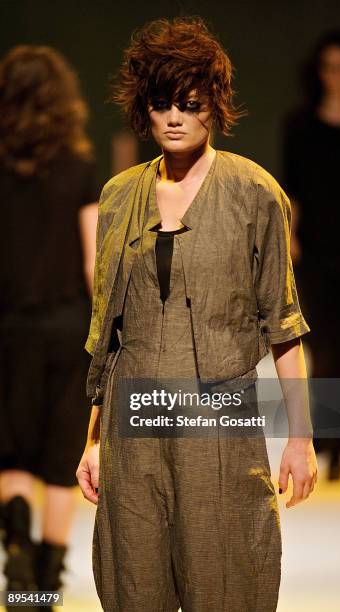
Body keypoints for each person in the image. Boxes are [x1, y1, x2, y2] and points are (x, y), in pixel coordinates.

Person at [77, 16, 318, 612]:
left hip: (221, 428)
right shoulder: (118, 197)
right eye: (162, 104)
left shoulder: (254, 193)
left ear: (215, 104)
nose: (176, 117)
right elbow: (109, 334)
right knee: (136, 587)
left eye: (190, 102)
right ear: (144, 109)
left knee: (228, 584)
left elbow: (284, 326)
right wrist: (93, 440)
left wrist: (302, 439)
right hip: (133, 433)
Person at [0, 45, 101, 608]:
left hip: (10, 326)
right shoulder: (79, 168)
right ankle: (45, 584)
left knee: (13, 450)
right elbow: (93, 263)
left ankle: (16, 562)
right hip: (70, 329)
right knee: (62, 456)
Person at [281, 30, 340, 480]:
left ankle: (336, 447)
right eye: (329, 67)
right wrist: (290, 239)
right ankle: (320, 439)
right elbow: (291, 187)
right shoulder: (301, 125)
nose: (337, 77)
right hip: (313, 252)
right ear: (318, 72)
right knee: (320, 347)